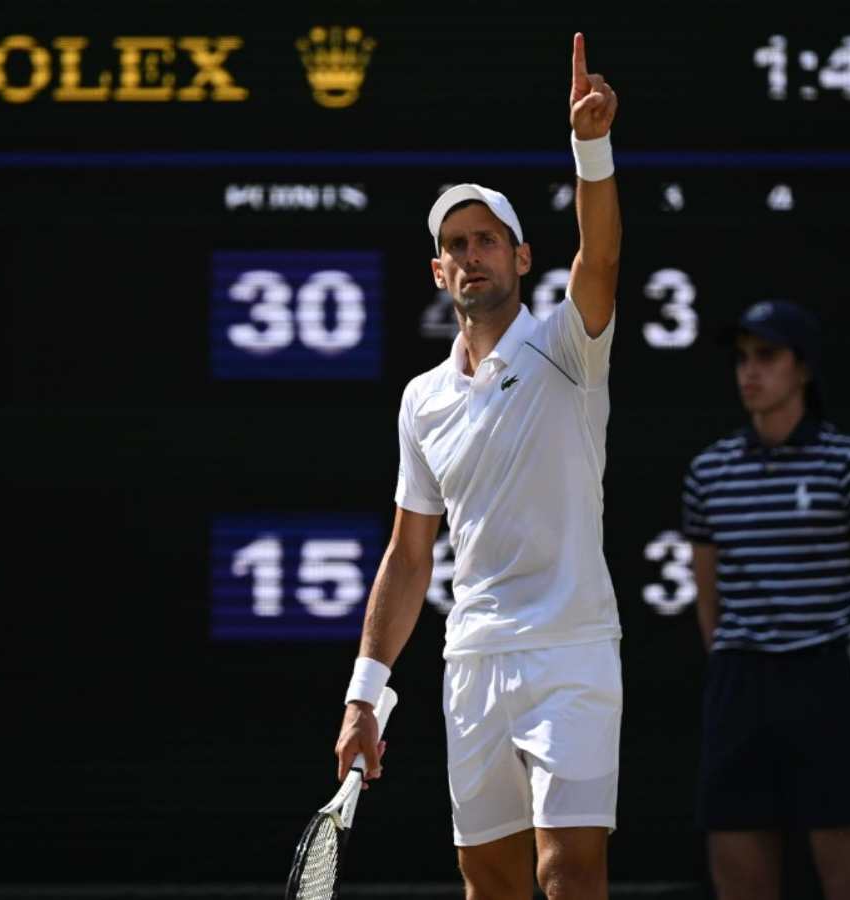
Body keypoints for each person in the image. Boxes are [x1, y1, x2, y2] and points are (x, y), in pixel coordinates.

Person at [331, 33, 621, 900]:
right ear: (438, 270)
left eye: (488, 240)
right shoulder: (421, 399)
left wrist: (591, 147)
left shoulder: (569, 348)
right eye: (456, 245)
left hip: (573, 654)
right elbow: (409, 555)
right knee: (489, 882)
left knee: (568, 872)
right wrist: (362, 694)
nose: (471, 256)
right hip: (474, 661)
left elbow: (600, 257)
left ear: (522, 259)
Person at [681, 300, 850, 900]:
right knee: (738, 871)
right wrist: (739, 660)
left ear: (802, 368)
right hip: (739, 681)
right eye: (741, 359)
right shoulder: (709, 473)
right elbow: (710, 604)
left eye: (767, 357)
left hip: (827, 676)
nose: (749, 372)